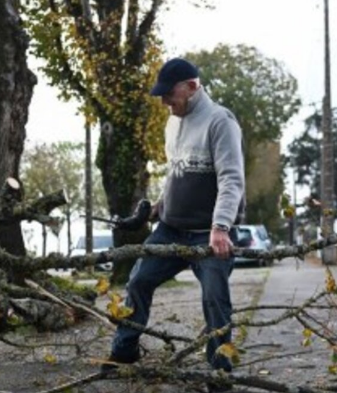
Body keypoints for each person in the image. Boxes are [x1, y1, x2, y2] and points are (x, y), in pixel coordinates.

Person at [102, 58, 245, 392]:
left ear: (192, 87)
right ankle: (125, 351)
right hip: (170, 228)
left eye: (170, 94)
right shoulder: (173, 123)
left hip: (208, 234)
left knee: (214, 298)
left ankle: (219, 374)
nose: (165, 102)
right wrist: (154, 209)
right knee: (138, 280)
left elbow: (231, 180)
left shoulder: (220, 122)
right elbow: (176, 174)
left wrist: (221, 227)